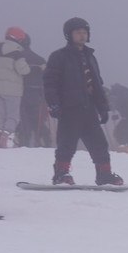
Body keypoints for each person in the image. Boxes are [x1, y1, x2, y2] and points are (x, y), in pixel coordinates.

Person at [43, 17, 123, 186]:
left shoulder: (90, 57)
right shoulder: (59, 57)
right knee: (67, 144)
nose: (82, 35)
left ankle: (104, 174)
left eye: (84, 32)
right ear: (69, 35)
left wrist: (102, 107)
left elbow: (97, 84)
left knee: (99, 144)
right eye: (78, 32)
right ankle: (61, 173)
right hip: (69, 108)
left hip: (89, 109)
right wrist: (54, 104)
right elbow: (50, 82)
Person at [0, 27, 33, 145]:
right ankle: (7, 139)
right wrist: (29, 68)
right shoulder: (16, 51)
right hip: (12, 90)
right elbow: (23, 70)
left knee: (2, 115)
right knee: (13, 116)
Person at [17, 35, 49, 147]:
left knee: (24, 121)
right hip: (37, 94)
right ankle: (44, 143)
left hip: (21, 92)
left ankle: (23, 143)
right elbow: (47, 76)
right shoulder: (39, 59)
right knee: (37, 120)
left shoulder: (17, 58)